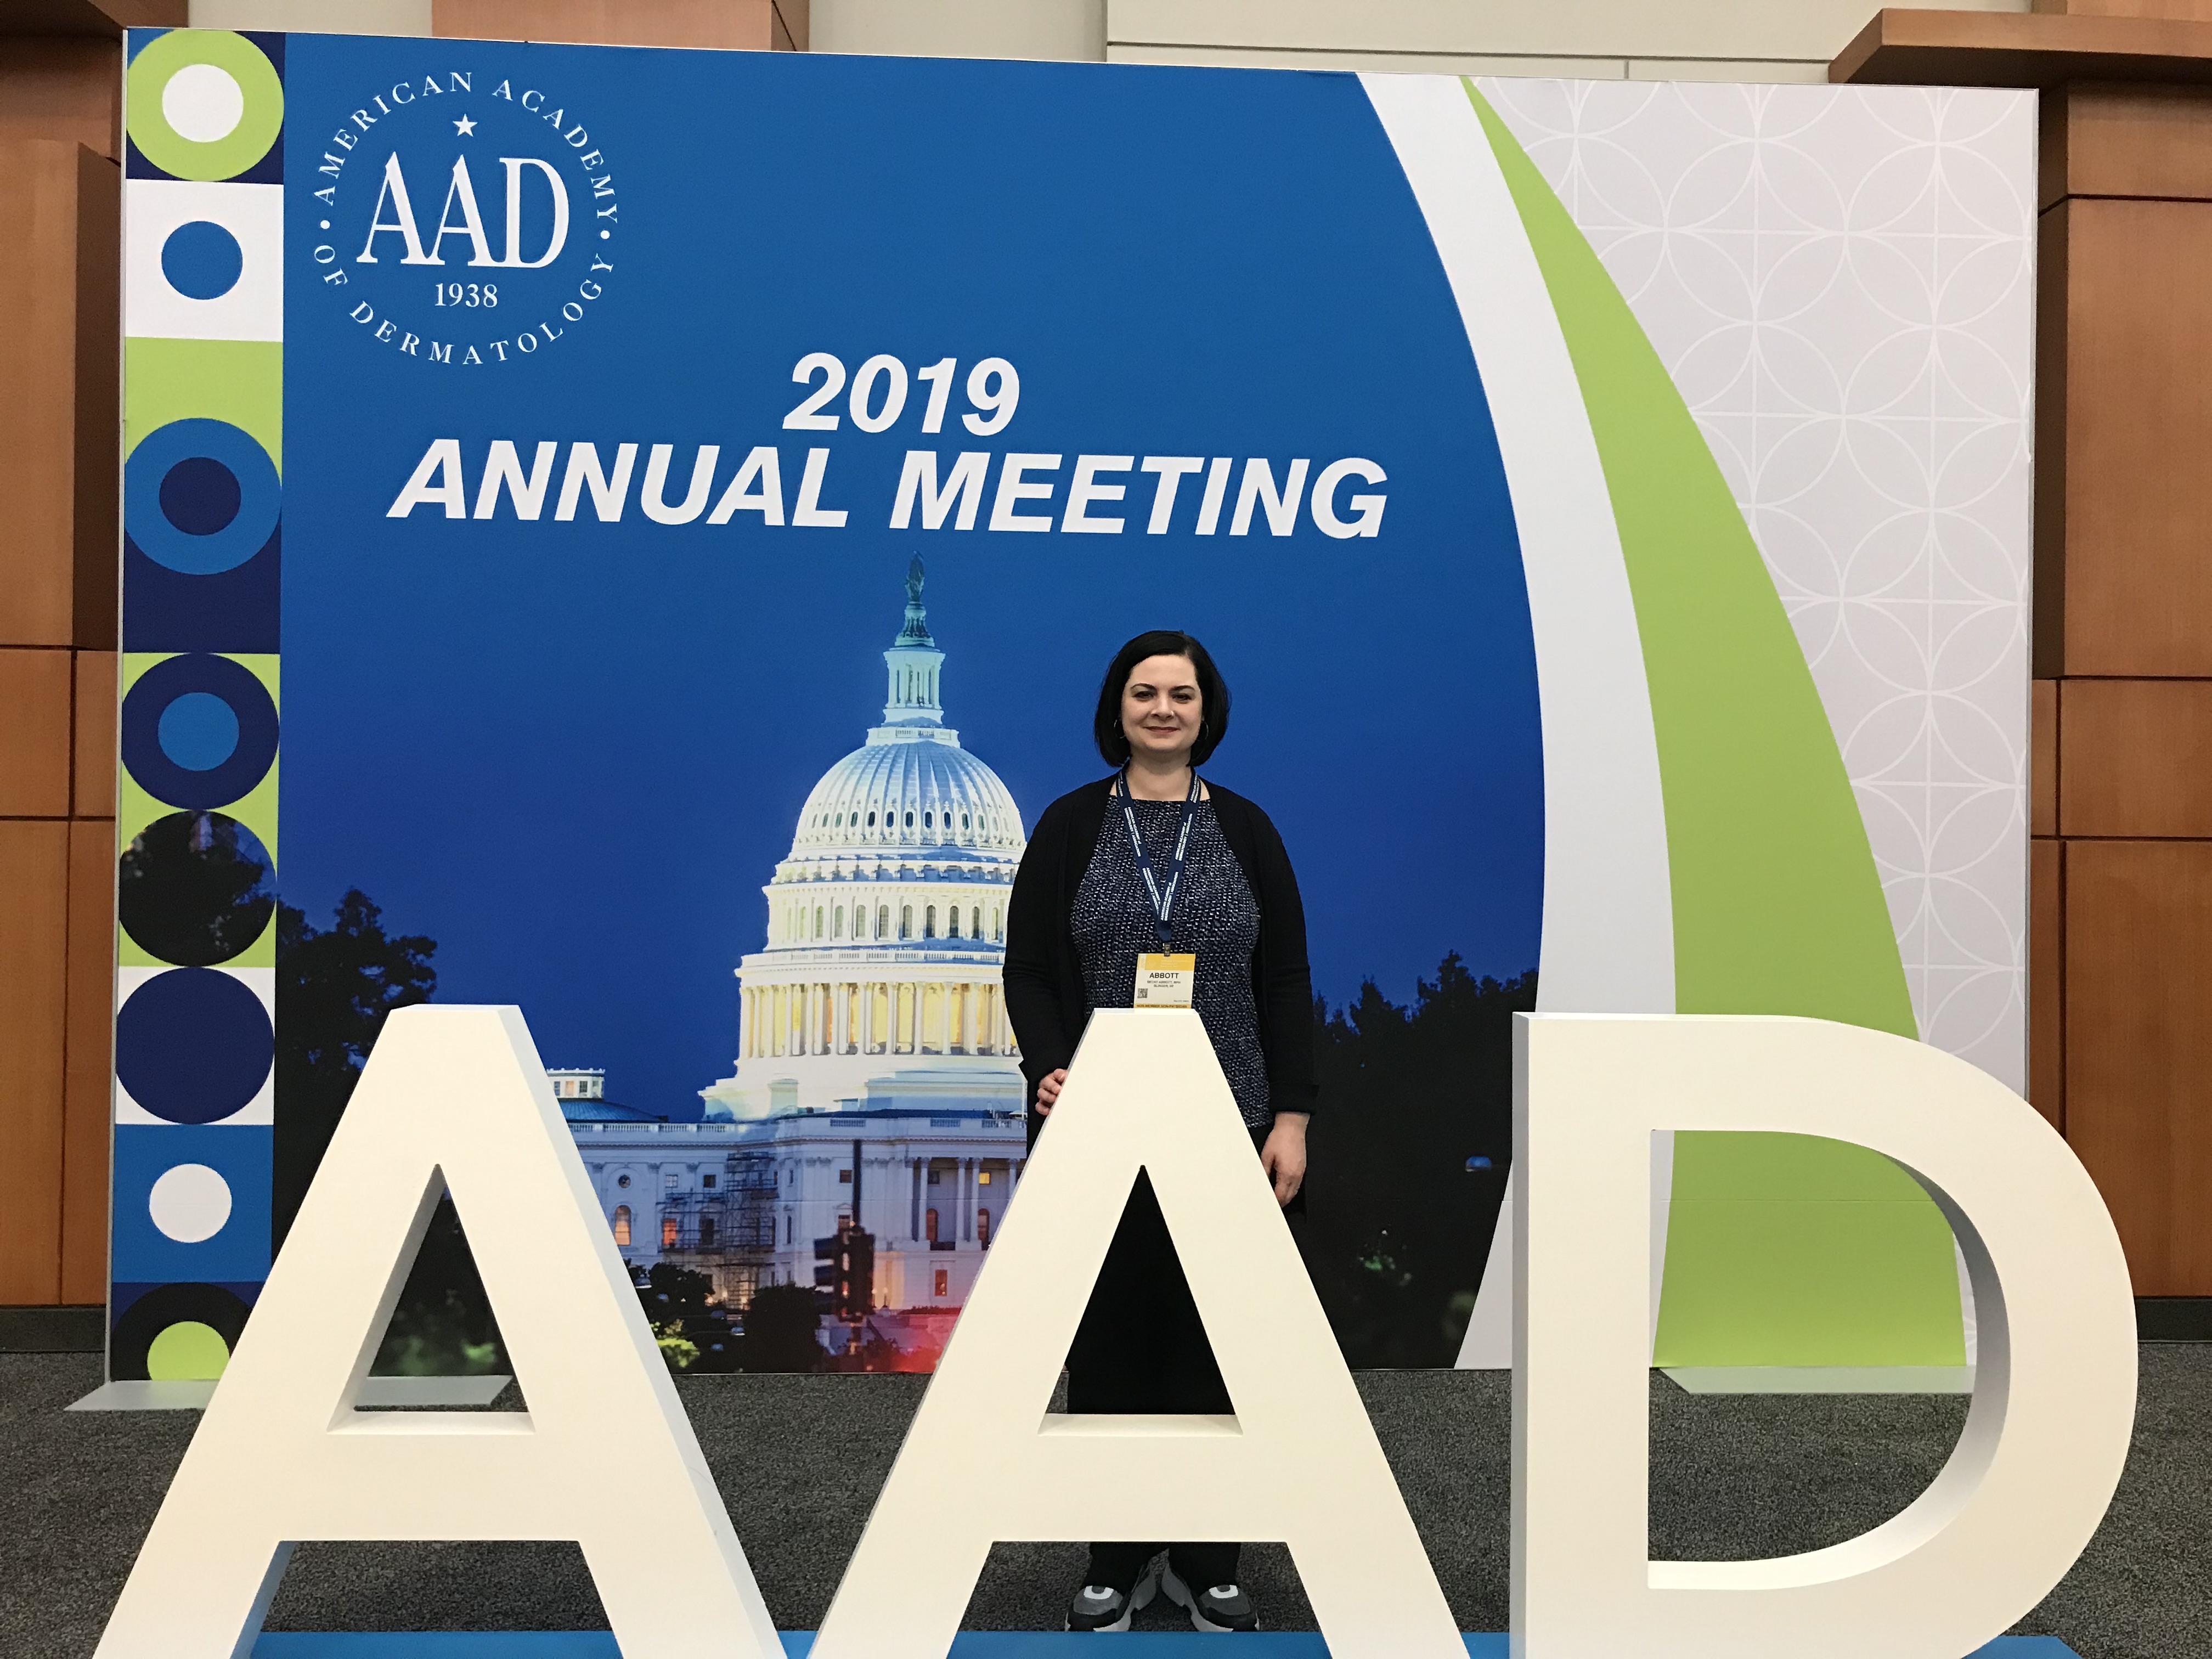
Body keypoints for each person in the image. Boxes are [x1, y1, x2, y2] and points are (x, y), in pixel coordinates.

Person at [1002, 629, 1316, 1634]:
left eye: (1181, 694)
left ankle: (1211, 1559)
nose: (1163, 710)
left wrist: (1293, 1115)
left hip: (1230, 1118)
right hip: (1098, 1120)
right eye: (1146, 693)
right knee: (1109, 1338)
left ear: (1206, 710)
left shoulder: (1249, 830)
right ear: (1118, 709)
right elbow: (1030, 971)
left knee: (1218, 1338)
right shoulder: (1068, 827)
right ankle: (1117, 1554)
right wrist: (1047, 1063)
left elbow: (1285, 980)